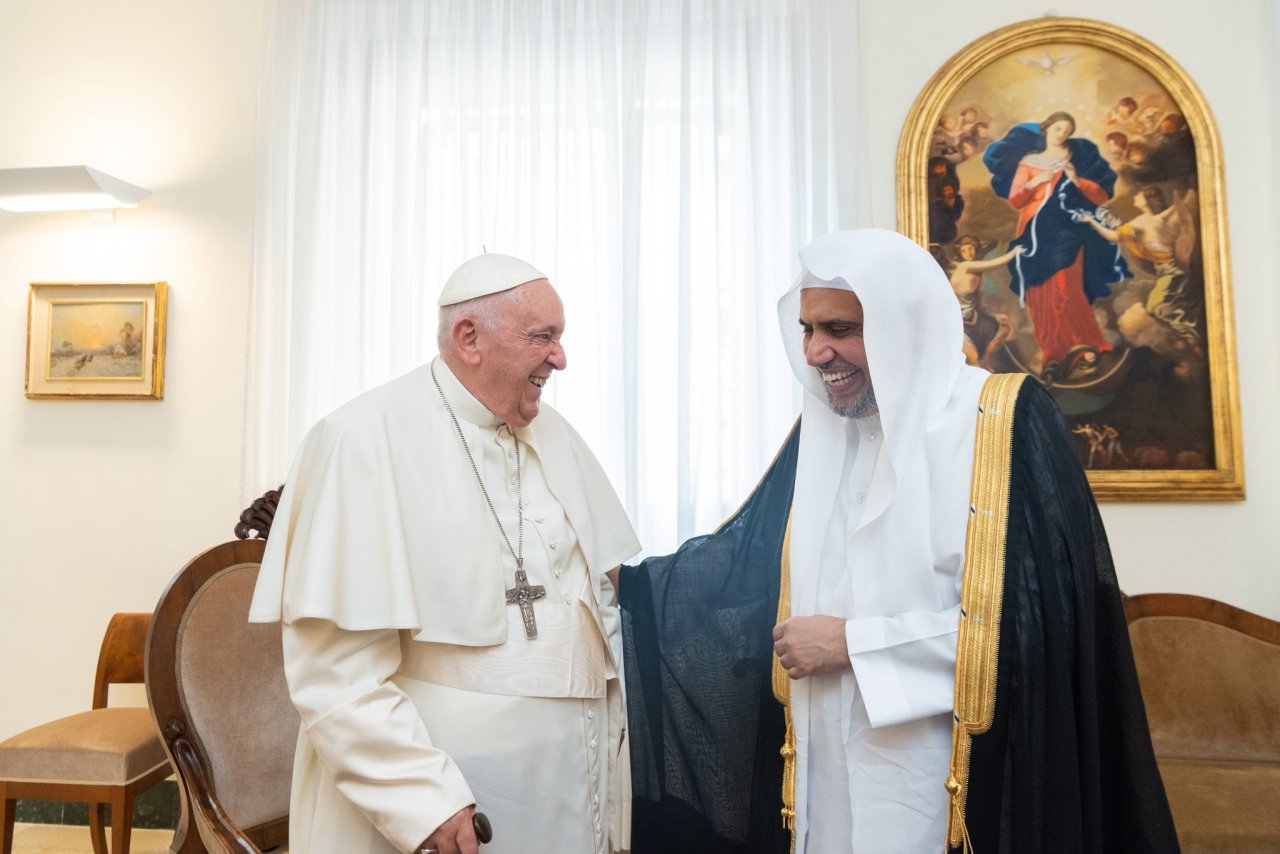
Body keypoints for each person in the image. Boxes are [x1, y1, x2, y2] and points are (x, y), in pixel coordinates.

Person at [618, 229, 1178, 853]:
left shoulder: (999, 420)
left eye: (839, 329)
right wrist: (633, 587)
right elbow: (741, 564)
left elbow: (1041, 628)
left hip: (951, 779)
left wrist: (857, 647)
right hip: (824, 772)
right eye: (807, 330)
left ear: (901, 323)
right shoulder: (823, 431)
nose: (817, 353)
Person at [249, 253, 640, 854]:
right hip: (456, 793)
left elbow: (605, 591)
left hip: (567, 781)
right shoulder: (361, 439)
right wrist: (423, 799)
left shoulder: (553, 433)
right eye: (544, 337)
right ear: (469, 338)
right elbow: (334, 673)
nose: (560, 357)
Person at [983, 111, 1130, 381]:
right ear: (1047, 129)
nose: (1061, 133)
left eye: (1066, 130)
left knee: (1066, 286)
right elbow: (1016, 199)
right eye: (1057, 128)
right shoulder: (1029, 162)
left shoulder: (1074, 161)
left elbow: (1099, 196)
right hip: (1035, 231)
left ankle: (1082, 341)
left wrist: (1077, 181)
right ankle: (1053, 351)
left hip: (1068, 230)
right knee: (1039, 294)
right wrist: (1033, 182)